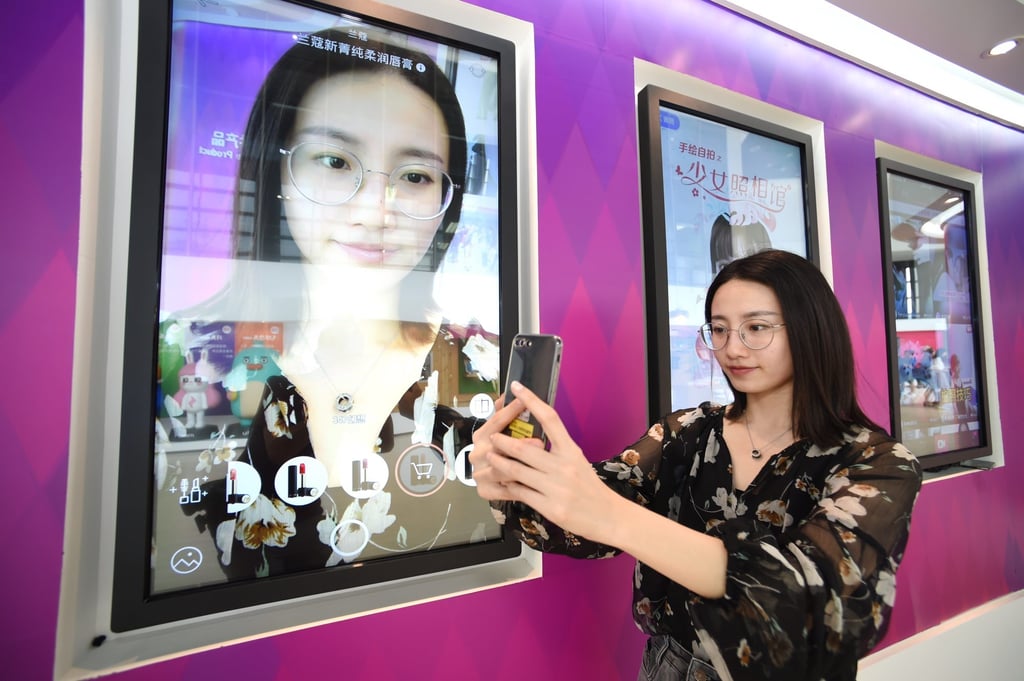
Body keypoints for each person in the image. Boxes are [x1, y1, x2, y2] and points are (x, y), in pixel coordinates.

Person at [470, 249, 922, 680]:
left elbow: (809, 601)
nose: (733, 348)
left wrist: (611, 516)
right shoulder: (689, 431)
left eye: (757, 327)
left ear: (810, 330)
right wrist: (515, 476)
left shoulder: (876, 465)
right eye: (719, 329)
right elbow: (586, 515)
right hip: (669, 668)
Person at [170, 28, 499, 578]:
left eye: (415, 175)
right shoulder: (186, 355)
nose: (376, 209)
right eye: (335, 161)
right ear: (276, 169)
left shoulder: (478, 364)